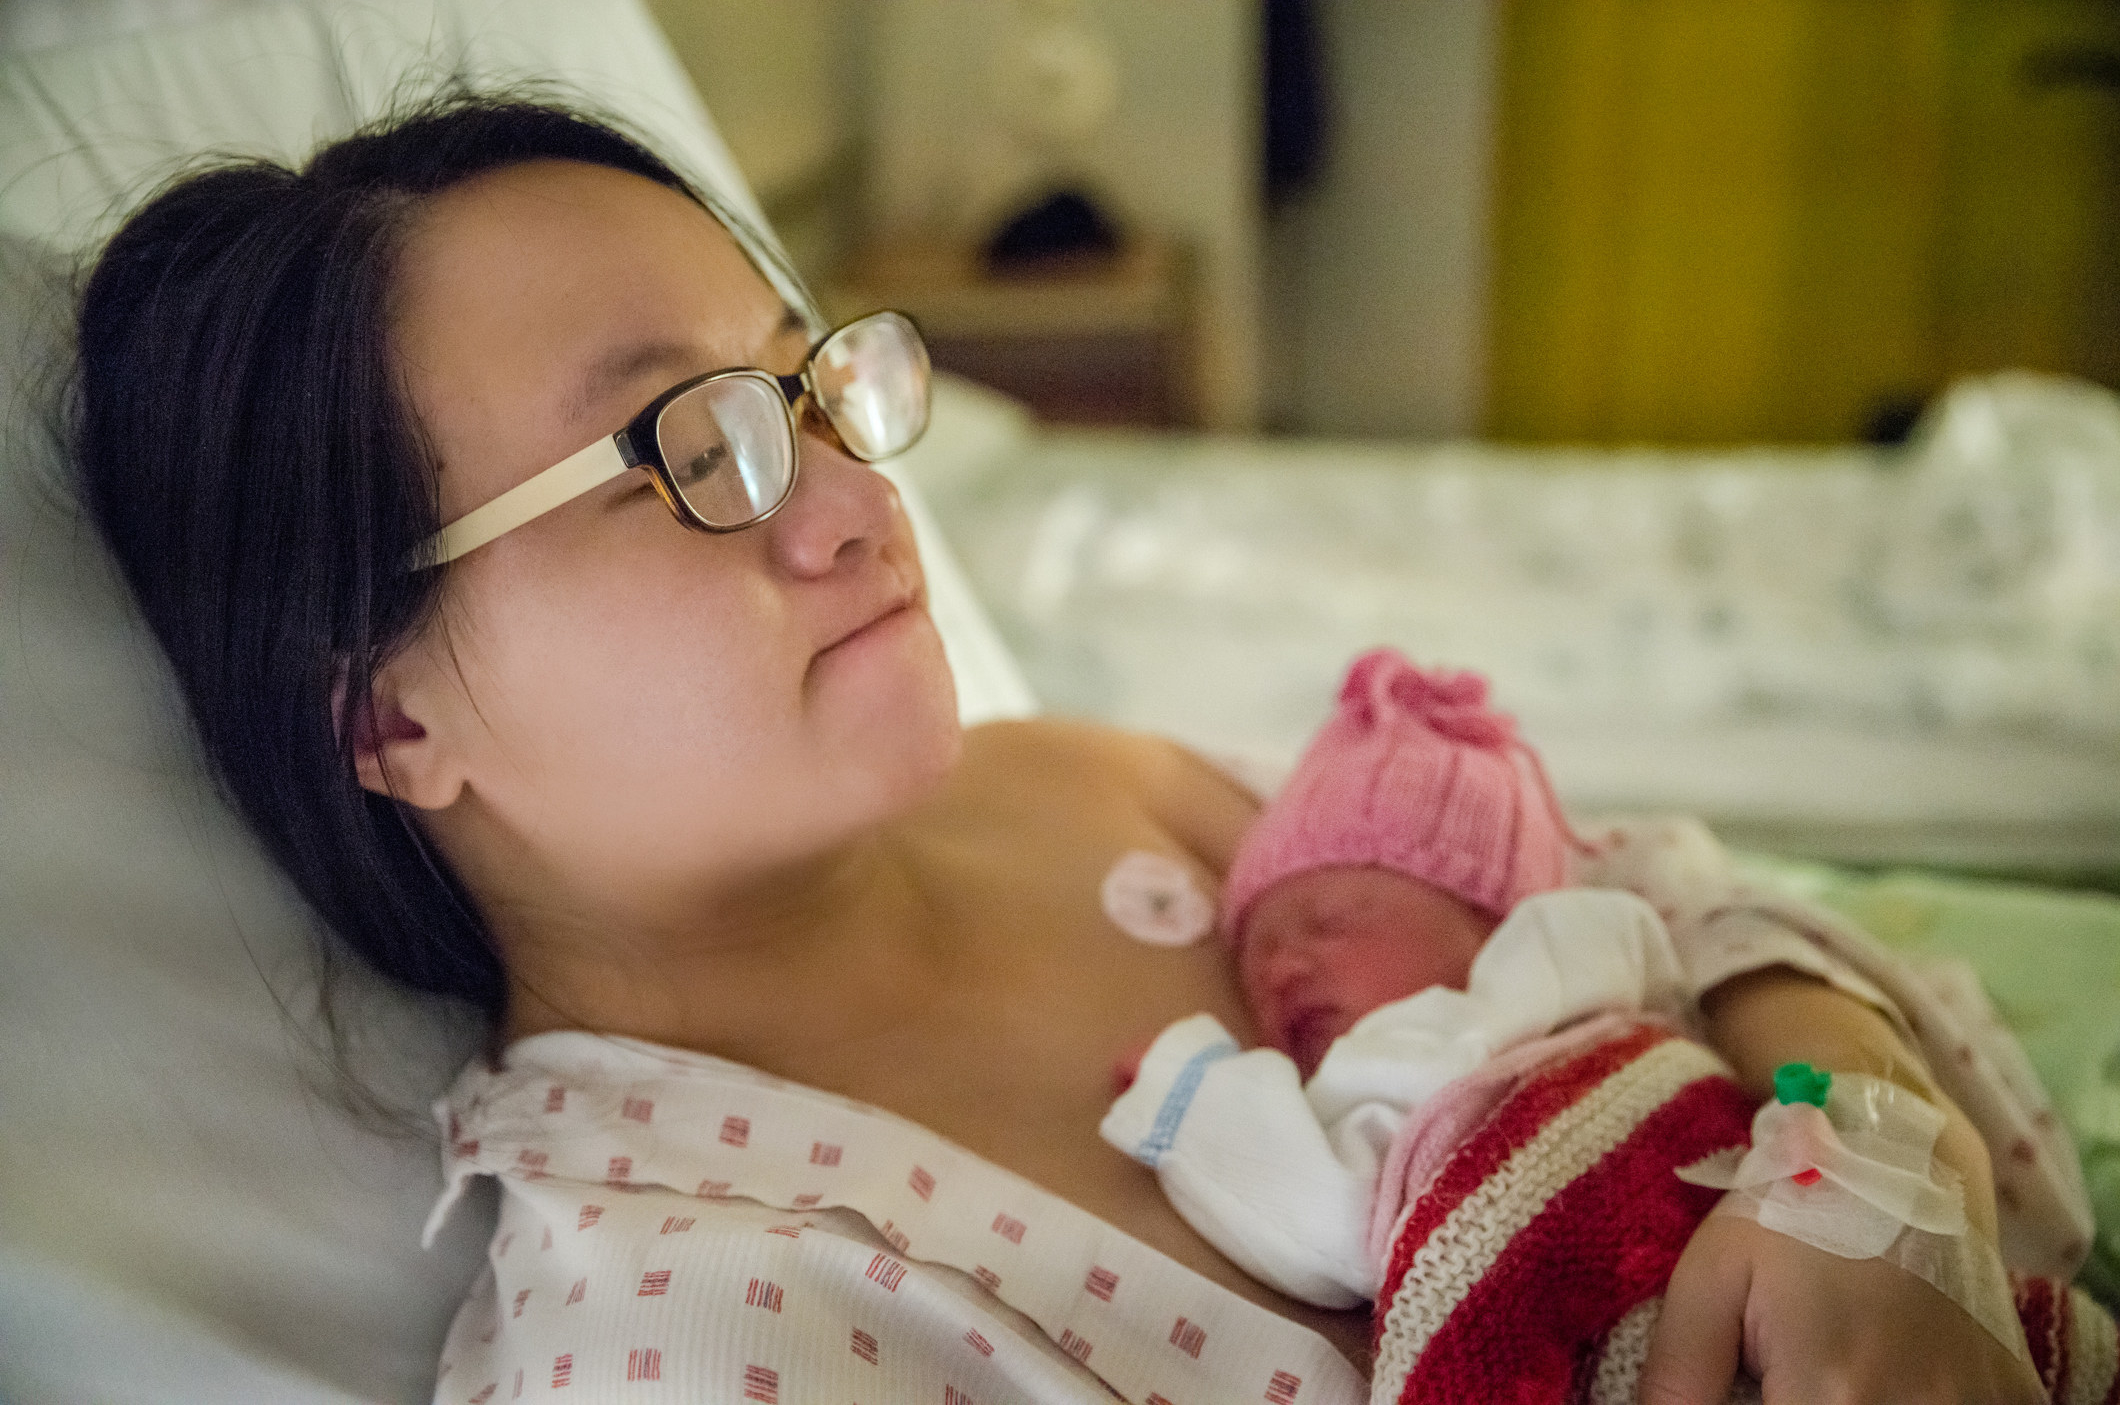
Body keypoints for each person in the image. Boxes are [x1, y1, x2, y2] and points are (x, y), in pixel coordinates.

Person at [68, 92, 2053, 1403]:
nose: (846, 498)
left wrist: (1877, 1164)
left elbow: (1653, 896)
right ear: (387, 709)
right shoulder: (696, 1315)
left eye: (808, 387)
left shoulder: (1065, 784)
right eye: (690, 447)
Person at [1103, 649, 2108, 1401]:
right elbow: (1316, 1201)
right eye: (1254, 953)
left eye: (1327, 919)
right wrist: (1193, 1072)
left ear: (1494, 912)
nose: (1277, 965)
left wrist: (1181, 1086)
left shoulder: (1609, 954)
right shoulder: (1375, 1089)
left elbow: (1734, 955)